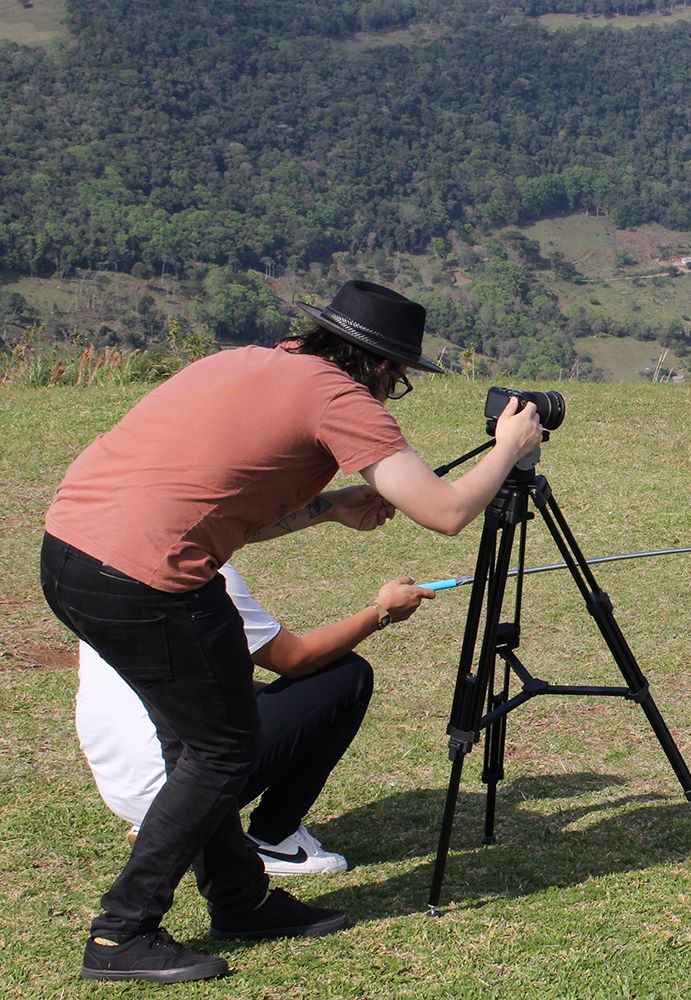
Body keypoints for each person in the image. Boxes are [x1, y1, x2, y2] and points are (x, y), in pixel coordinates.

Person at [40, 279, 542, 983]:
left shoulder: (246, 363)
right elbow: (446, 511)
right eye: (397, 376)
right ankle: (121, 933)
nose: (392, 389)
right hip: (147, 580)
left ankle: (241, 901)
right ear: (375, 363)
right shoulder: (341, 398)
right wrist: (508, 444)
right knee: (221, 751)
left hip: (71, 555)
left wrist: (330, 507)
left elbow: (232, 510)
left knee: (198, 744)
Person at [76, 563, 432, 875]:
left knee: (287, 694)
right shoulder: (204, 572)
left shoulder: (106, 565)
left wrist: (334, 509)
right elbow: (298, 659)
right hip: (179, 783)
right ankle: (273, 839)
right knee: (345, 678)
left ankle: (162, 826)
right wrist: (380, 611)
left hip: (123, 786)